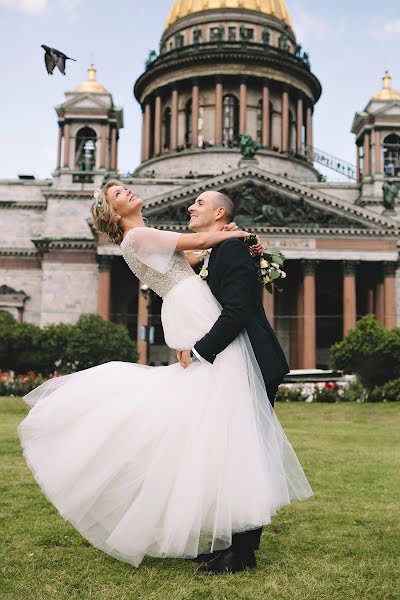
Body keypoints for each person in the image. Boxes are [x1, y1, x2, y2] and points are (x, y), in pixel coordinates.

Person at [18, 180, 312, 572]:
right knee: (221, 415)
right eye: (118, 194)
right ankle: (235, 541)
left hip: (192, 310)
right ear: (113, 213)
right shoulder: (139, 234)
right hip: (194, 311)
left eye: (124, 188)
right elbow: (194, 246)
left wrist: (228, 243)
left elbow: (193, 259)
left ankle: (234, 540)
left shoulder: (145, 238)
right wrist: (238, 234)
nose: (127, 191)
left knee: (214, 417)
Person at [179, 190, 289, 573]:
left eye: (200, 204)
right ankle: (229, 542)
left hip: (254, 362)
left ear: (220, 213)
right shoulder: (223, 248)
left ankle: (242, 552)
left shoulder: (230, 249)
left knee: (247, 454)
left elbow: (238, 310)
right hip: (237, 364)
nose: (191, 208)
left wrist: (198, 351)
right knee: (232, 453)